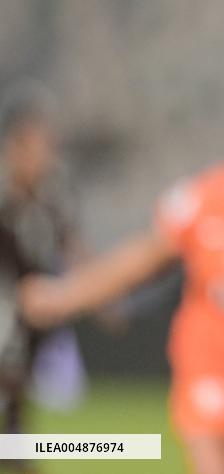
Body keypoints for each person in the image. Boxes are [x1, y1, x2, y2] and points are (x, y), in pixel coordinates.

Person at [20, 95, 224, 474]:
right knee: (213, 456)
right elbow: (141, 261)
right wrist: (65, 296)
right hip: (215, 354)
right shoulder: (204, 200)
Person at [0, 85, 88, 466]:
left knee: (16, 402)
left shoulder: (50, 198)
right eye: (40, 147)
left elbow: (71, 244)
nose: (48, 158)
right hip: (7, 317)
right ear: (16, 147)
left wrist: (99, 292)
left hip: (27, 321)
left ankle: (20, 457)